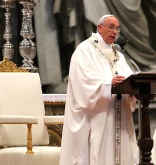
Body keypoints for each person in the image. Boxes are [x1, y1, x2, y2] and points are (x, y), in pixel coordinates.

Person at [59, 15, 139, 165]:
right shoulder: (85, 49)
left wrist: (133, 88)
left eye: (117, 28)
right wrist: (108, 84)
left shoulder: (118, 55)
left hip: (117, 114)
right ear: (100, 27)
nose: (114, 31)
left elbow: (129, 79)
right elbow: (83, 81)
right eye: (111, 27)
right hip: (97, 115)